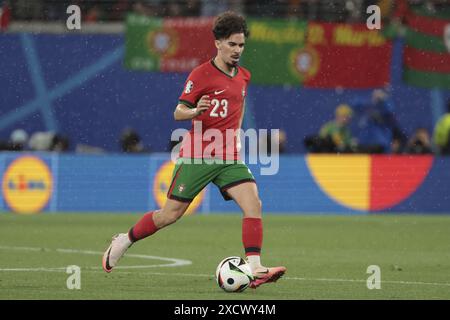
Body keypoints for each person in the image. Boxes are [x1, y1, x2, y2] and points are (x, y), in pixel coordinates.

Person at [102, 11, 286, 289]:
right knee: (169, 215)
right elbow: (177, 112)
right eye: (232, 44)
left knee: (254, 204)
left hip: (228, 157)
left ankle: (255, 267)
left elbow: (240, 105)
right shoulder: (201, 74)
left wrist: (235, 136)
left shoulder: (243, 76)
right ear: (218, 43)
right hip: (198, 155)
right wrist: (193, 111)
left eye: (241, 45)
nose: (237, 50)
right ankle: (124, 240)